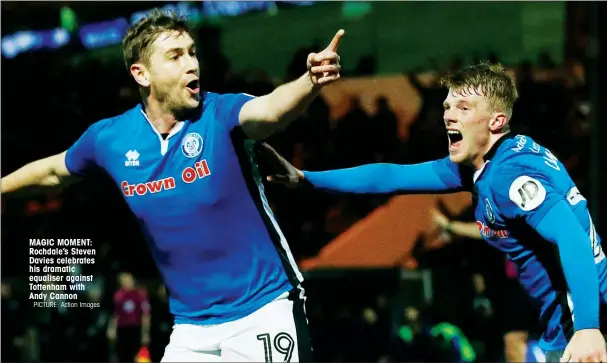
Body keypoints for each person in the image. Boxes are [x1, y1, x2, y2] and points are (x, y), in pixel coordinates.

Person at [1, 9, 344, 362]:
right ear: (141, 73)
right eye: (175, 56)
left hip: (262, 310)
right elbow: (53, 171)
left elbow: (271, 110)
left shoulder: (220, 114)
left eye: (192, 52)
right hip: (191, 329)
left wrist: (310, 81)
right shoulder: (110, 138)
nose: (191, 64)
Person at [261, 62, 607, 362]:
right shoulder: (482, 165)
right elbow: (392, 175)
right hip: (566, 324)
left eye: (464, 107)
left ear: (496, 120)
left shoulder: (509, 176)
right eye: (447, 105)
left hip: (586, 322)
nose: (449, 115)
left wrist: (589, 328)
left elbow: (571, 235)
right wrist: (305, 178)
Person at [431, 209, 539, 362]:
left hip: (526, 287)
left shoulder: (519, 214)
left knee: (514, 341)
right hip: (526, 288)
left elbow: (489, 232)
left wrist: (449, 225)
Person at [107, 272, 150, 362]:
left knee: (138, 356)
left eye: (128, 280)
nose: (126, 283)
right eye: (123, 281)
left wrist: (145, 332)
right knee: (123, 356)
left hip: (136, 328)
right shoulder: (118, 295)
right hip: (122, 329)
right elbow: (115, 314)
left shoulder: (140, 293)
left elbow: (146, 314)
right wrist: (112, 328)